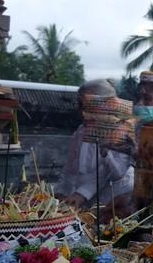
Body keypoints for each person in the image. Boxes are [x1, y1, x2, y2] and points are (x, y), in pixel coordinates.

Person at [55, 79, 134, 217]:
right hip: (86, 202)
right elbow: (70, 168)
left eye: (87, 107)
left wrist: (81, 193)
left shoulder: (122, 130)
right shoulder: (81, 131)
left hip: (115, 199)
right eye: (81, 106)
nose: (82, 112)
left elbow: (113, 173)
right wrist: (61, 192)